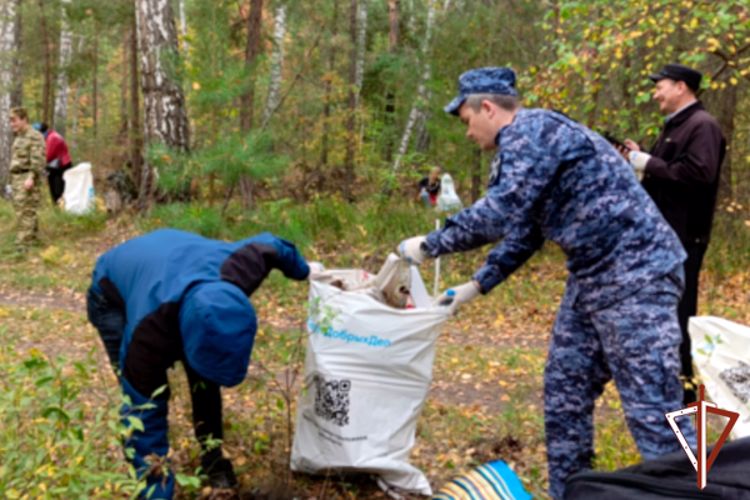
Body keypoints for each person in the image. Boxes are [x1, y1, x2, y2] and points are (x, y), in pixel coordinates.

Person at [397, 67, 696, 500]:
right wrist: (476, 285)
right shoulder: (521, 147)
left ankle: (698, 493)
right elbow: (524, 228)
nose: (467, 134)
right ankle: (570, 494)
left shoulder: (531, 132)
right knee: (565, 394)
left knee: (655, 409)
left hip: (638, 273)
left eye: (466, 121)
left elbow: (498, 213)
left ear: (487, 107)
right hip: (593, 276)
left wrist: (431, 244)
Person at [86, 228, 312, 498]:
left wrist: (307, 273)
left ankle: (213, 459)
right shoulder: (145, 335)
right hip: (111, 293)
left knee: (204, 383)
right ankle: (153, 485)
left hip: (175, 262)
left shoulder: (241, 267)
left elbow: (275, 246)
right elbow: (143, 415)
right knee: (143, 394)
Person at [621, 64, 726, 405]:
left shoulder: (702, 126)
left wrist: (645, 161)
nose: (655, 94)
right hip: (662, 241)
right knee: (661, 321)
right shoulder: (677, 128)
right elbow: (668, 179)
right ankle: (667, 397)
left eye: (660, 87)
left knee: (679, 322)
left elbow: (699, 174)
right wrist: (641, 162)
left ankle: (686, 402)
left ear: (681, 87)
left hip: (684, 241)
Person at [8, 107, 46, 254]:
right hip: (17, 177)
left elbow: (38, 160)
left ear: (24, 119)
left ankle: (22, 246)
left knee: (26, 212)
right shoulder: (19, 137)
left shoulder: (34, 136)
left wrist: (31, 177)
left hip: (27, 177)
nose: (12, 124)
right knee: (22, 210)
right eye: (11, 121)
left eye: (15, 120)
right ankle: (33, 239)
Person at [32, 122, 73, 204]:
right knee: (55, 190)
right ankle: (58, 208)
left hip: (61, 167)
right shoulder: (50, 136)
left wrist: (36, 163)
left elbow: (47, 155)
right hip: (55, 167)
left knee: (58, 191)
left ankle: (60, 209)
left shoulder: (52, 138)